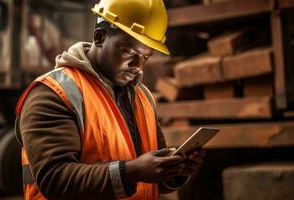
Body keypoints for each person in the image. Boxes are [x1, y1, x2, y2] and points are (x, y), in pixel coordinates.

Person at [15, 0, 205, 199]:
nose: (138, 66)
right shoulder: (53, 93)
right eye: (129, 53)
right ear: (100, 37)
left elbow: (150, 176)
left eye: (145, 57)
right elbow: (54, 179)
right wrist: (132, 171)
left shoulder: (143, 97)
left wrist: (174, 170)